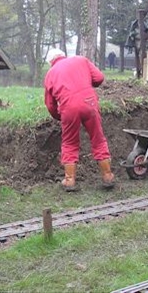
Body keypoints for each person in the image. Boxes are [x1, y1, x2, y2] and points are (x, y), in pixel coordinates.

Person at [44, 48, 115, 191]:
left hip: (68, 108)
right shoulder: (81, 60)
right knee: (98, 139)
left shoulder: (50, 74)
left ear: (51, 62)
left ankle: (69, 180)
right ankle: (107, 176)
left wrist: (60, 116)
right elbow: (99, 78)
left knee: (70, 142)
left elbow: (50, 105)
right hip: (90, 103)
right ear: (63, 55)